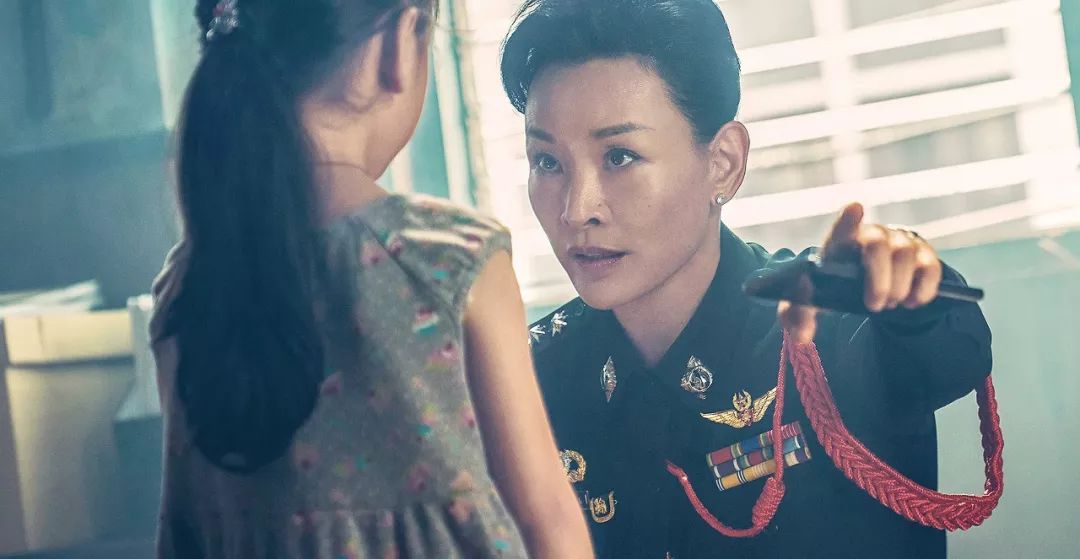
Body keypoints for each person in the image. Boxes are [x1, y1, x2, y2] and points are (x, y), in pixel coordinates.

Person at [500, 0, 994, 557]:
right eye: (547, 162)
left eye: (620, 156)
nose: (576, 209)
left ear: (723, 163)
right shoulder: (526, 379)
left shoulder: (825, 326)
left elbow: (949, 353)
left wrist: (907, 288)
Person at [149, 0, 592, 557]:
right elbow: (547, 523)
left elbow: (181, 532)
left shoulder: (186, 289)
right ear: (399, 43)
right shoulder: (448, 262)